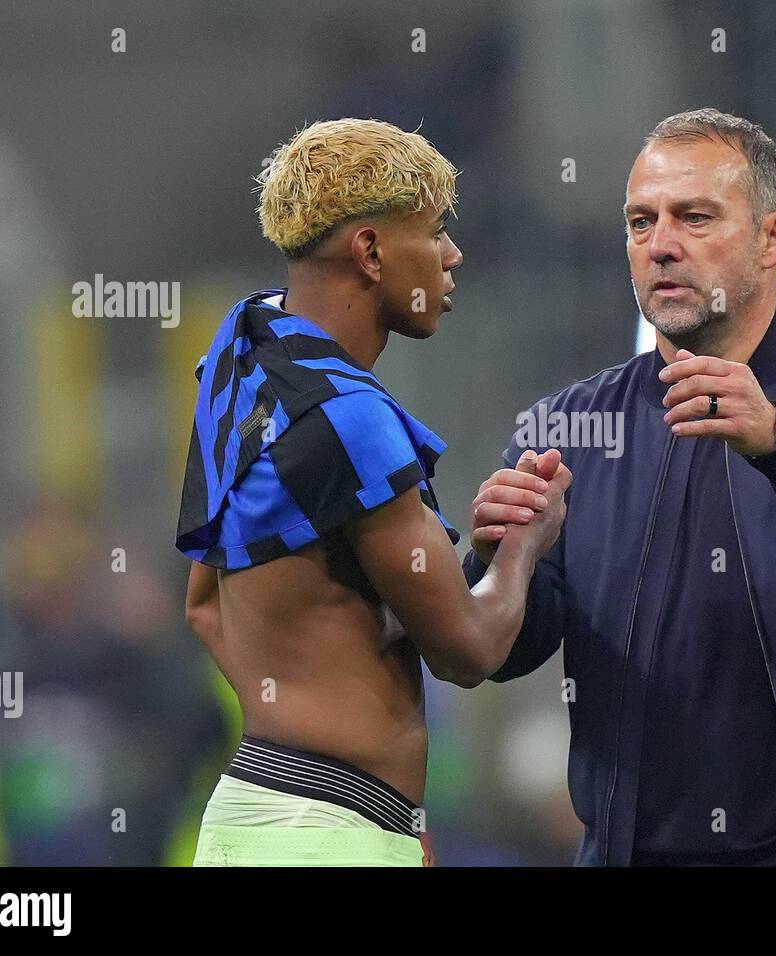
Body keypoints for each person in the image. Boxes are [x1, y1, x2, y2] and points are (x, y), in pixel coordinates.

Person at [465, 108, 776, 866]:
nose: (660, 244)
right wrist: (500, 558)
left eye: (694, 217)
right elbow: (508, 654)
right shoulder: (567, 425)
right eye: (640, 222)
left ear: (773, 236)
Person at [174, 118, 570, 866]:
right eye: (435, 232)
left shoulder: (242, 356)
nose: (452, 256)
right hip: (327, 835)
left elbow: (203, 608)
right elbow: (466, 651)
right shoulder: (353, 418)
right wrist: (526, 544)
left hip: (247, 821)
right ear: (370, 250)